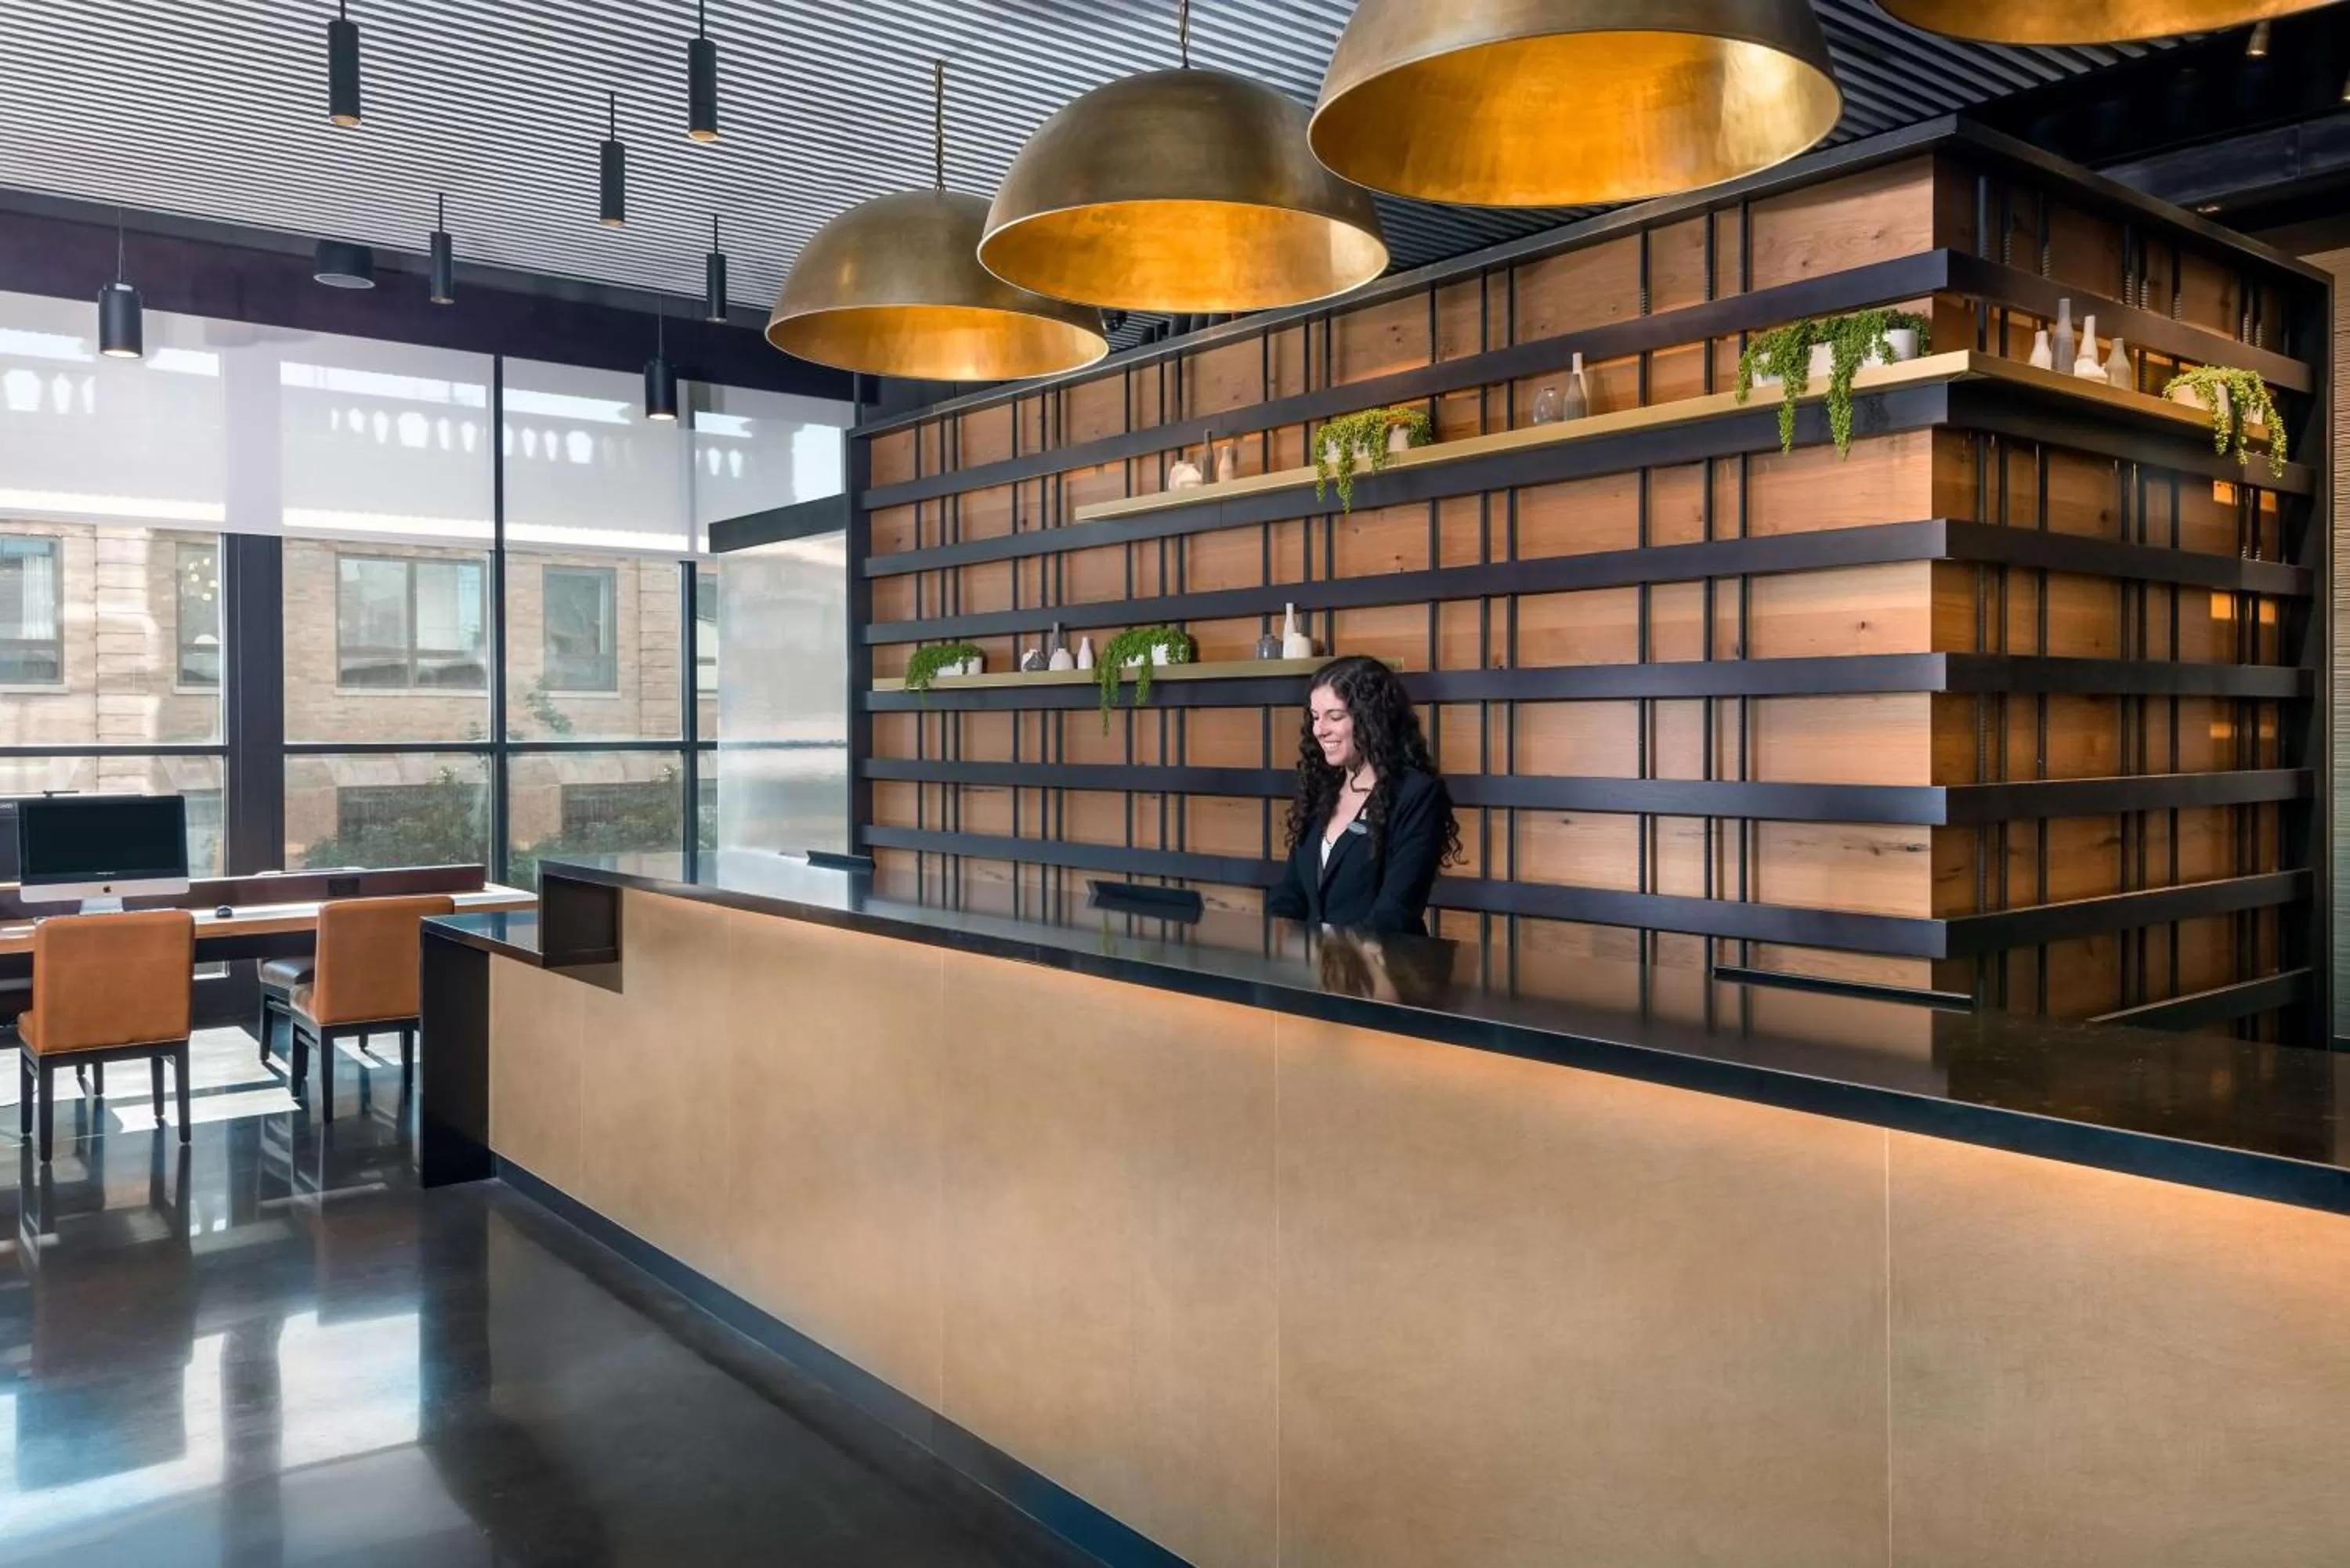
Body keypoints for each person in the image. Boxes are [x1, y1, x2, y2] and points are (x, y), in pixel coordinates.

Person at [1264, 654, 1462, 936]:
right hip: (1310, 972)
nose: (1319, 730)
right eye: (1315, 717)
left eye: (1335, 717)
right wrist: (1276, 938)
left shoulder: (1417, 794)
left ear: (1372, 718)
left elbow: (1395, 911)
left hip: (1382, 972)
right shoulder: (1320, 788)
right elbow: (1290, 893)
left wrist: (1340, 964)